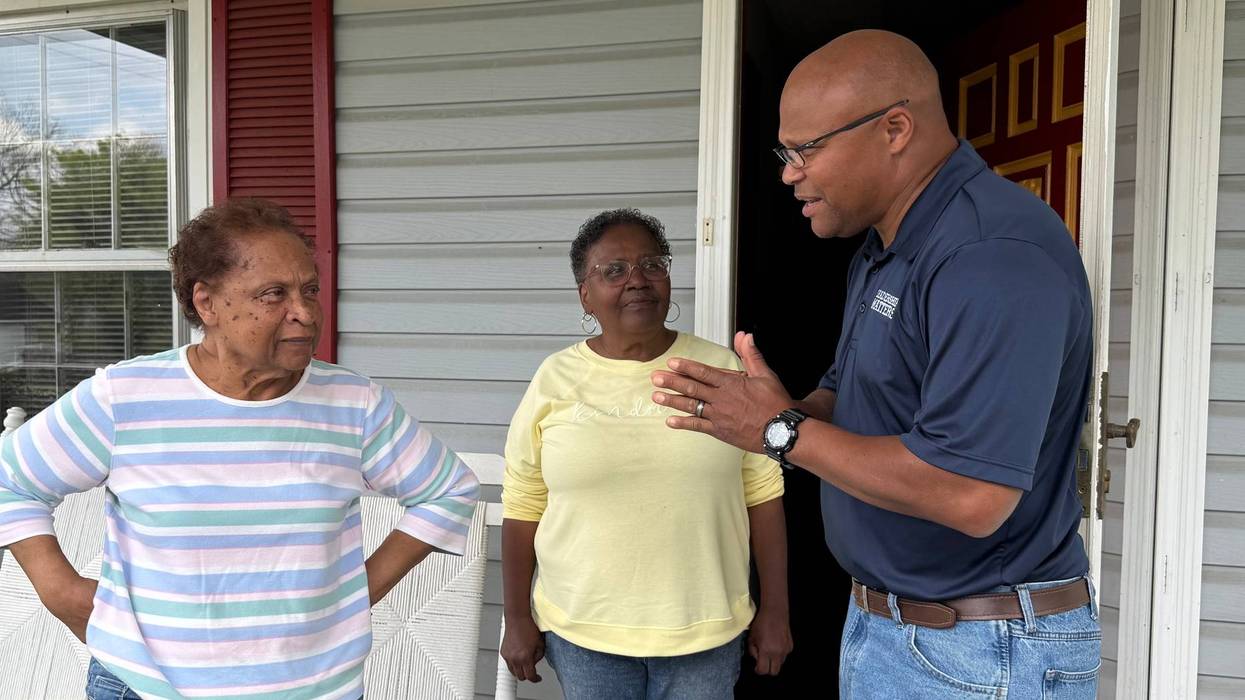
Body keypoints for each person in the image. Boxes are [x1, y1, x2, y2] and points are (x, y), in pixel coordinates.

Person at [650, 30, 1100, 699]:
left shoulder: (990, 254)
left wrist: (778, 432)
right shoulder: (887, 246)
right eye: (785, 151)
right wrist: (787, 409)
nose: (787, 173)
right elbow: (854, 399)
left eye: (806, 149)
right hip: (895, 628)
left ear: (894, 128)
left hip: (980, 652)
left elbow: (969, 495)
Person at [0, 198, 480, 700]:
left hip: (315, 689)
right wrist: (58, 591)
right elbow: (13, 481)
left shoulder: (353, 404)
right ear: (206, 303)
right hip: (147, 687)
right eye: (274, 294)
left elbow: (447, 490)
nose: (305, 313)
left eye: (309, 290)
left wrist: (357, 594)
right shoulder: (127, 397)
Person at [499, 209, 792, 699]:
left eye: (652, 265)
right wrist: (516, 617)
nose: (637, 281)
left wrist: (776, 611)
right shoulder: (554, 379)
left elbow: (763, 493)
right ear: (585, 295)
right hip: (584, 633)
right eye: (613, 270)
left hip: (705, 632)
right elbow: (523, 503)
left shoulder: (720, 370)